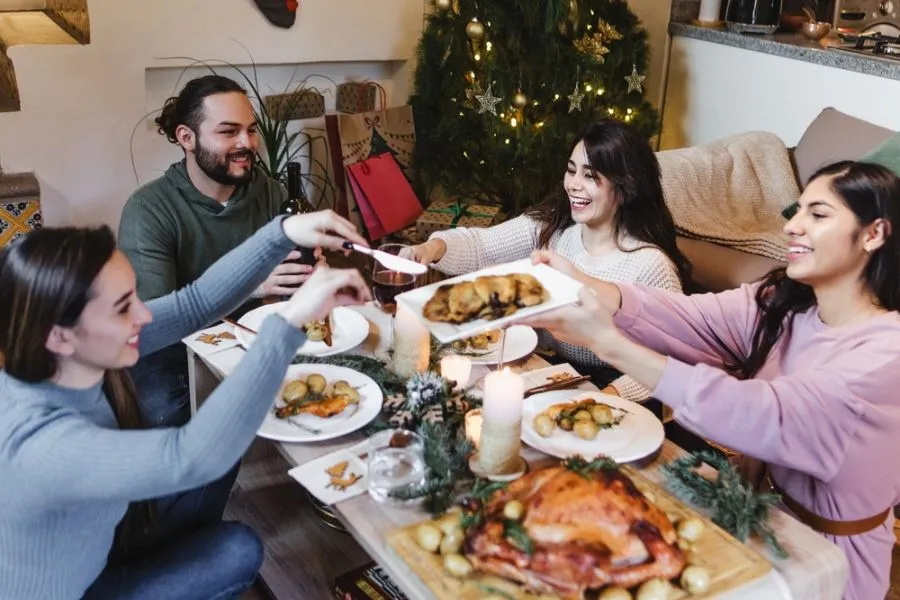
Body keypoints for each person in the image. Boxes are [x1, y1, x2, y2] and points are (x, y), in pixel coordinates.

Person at [523, 161, 900, 600]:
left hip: (829, 565)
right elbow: (691, 317)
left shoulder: (885, 357)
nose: (793, 226)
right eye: (797, 212)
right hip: (754, 517)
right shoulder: (788, 302)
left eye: (817, 215)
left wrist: (611, 345)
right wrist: (585, 284)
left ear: (873, 234)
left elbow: (763, 413)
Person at [0, 210, 371, 600]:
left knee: (224, 450)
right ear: (59, 337)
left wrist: (283, 232)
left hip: (99, 542)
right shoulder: (37, 444)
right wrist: (291, 321)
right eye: (124, 307)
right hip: (80, 590)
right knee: (236, 549)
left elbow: (194, 304)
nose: (143, 315)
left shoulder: (67, 356)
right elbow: (191, 457)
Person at [118, 75, 313, 527]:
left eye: (250, 129)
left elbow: (288, 274)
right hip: (169, 351)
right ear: (186, 138)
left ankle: (304, 497)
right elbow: (154, 324)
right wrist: (252, 285)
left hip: (255, 332)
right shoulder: (149, 209)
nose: (247, 142)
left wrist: (308, 269)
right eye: (228, 132)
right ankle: (169, 537)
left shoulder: (265, 190)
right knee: (179, 419)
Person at [406, 120, 691, 401]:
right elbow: (482, 245)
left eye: (591, 176)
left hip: (621, 391)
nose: (574, 185)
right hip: (551, 371)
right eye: (571, 171)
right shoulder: (553, 227)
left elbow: (671, 362)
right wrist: (432, 248)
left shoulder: (651, 266)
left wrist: (608, 396)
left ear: (625, 186)